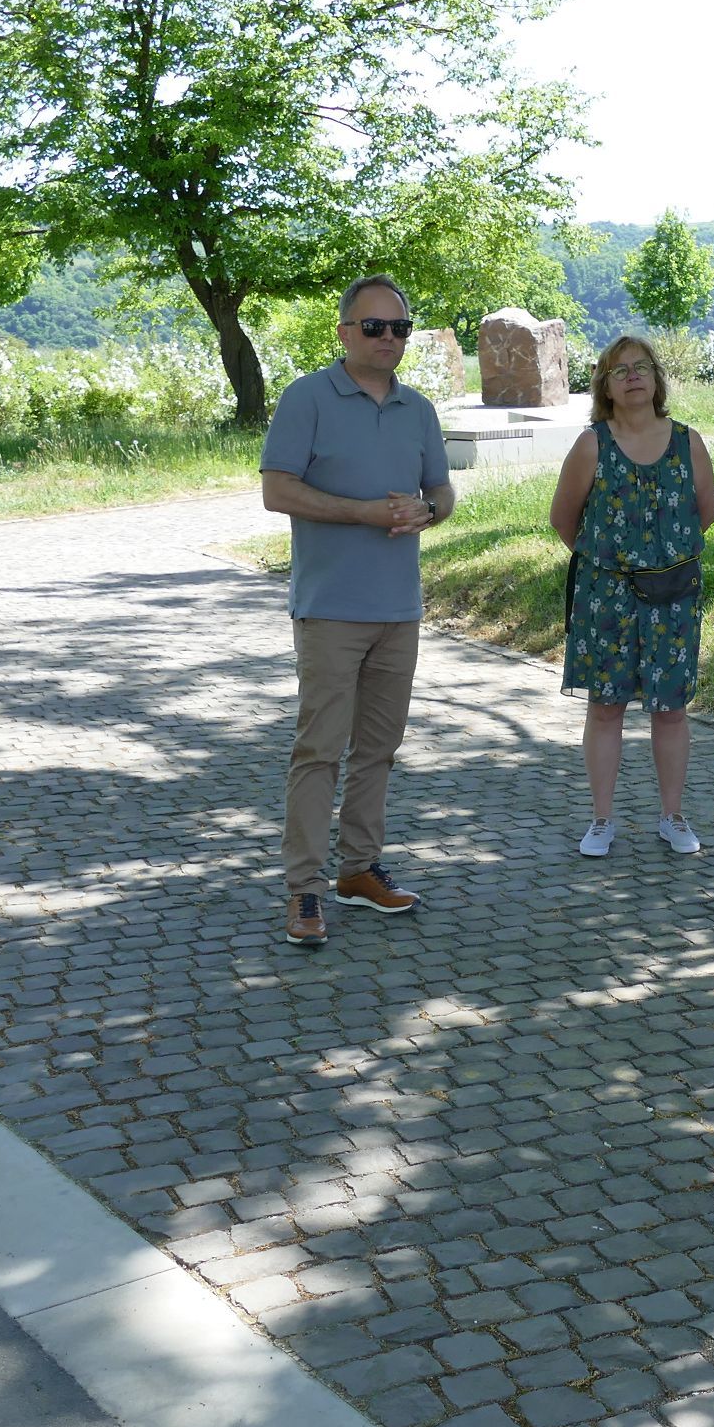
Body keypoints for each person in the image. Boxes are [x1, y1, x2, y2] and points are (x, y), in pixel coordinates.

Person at [260, 274, 454, 947]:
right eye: (374, 328)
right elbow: (277, 491)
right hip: (331, 608)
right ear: (344, 332)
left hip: (399, 608)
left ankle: (359, 871)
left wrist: (428, 511)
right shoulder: (307, 398)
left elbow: (443, 492)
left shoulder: (419, 409)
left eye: (399, 328)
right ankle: (304, 892)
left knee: (379, 750)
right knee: (319, 752)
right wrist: (362, 513)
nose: (389, 339)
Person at [550, 336, 714, 857]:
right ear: (605, 385)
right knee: (606, 708)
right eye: (619, 371)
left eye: (641, 367)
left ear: (656, 378)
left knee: (670, 710)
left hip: (674, 597)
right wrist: (612, 560)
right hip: (606, 599)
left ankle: (673, 816)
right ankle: (602, 821)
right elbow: (563, 519)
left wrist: (661, 555)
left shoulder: (688, 442)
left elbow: (704, 514)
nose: (632, 377)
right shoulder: (591, 444)